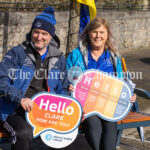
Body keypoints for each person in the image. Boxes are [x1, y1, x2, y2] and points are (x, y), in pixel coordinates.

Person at [0, 7, 69, 150]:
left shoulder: (59, 58)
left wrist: (71, 107)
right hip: (15, 109)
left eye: (44, 33)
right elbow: (1, 81)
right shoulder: (17, 53)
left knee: (60, 134)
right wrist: (20, 98)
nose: (39, 37)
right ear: (31, 32)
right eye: (36, 32)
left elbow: (63, 87)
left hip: (47, 110)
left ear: (51, 36)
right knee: (24, 133)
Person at [66, 17, 136, 150]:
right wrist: (69, 87)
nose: (98, 36)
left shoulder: (113, 57)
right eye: (94, 32)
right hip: (85, 106)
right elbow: (64, 79)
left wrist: (129, 95)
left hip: (108, 104)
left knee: (110, 123)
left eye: (102, 32)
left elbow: (121, 83)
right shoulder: (76, 55)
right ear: (88, 33)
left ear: (107, 35)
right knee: (93, 122)